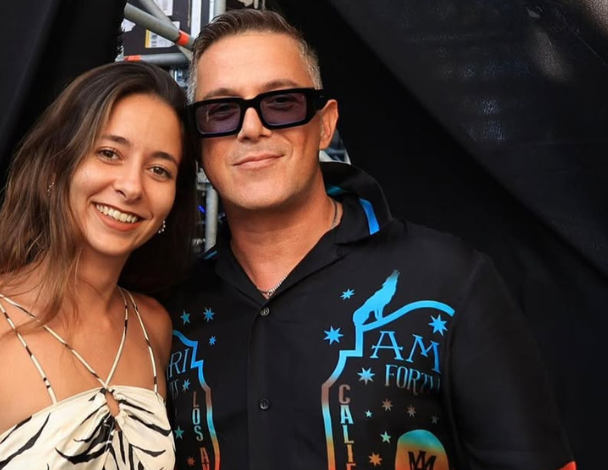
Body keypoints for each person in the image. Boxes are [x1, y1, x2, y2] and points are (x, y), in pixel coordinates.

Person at [162, 8, 576, 470]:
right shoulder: (170, 311)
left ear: (325, 124)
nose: (251, 128)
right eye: (221, 110)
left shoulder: (450, 281)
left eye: (282, 103)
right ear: (197, 143)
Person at [0, 61, 197, 470]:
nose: (132, 186)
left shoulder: (154, 327)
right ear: (56, 166)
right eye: (109, 153)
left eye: (159, 170)